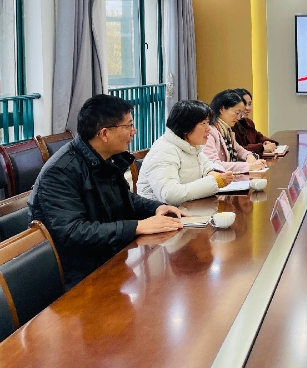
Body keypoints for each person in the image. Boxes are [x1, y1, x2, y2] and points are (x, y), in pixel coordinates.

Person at [28, 94, 188, 289]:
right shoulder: (61, 172)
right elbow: (72, 232)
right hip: (82, 275)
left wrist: (157, 208)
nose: (134, 131)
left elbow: (123, 198)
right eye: (129, 126)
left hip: (111, 256)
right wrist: (136, 227)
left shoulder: (104, 157)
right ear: (104, 133)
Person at [137, 100, 235, 205]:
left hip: (190, 207)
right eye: (203, 123)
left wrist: (211, 172)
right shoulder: (164, 151)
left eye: (208, 123)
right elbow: (169, 195)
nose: (209, 129)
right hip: (161, 212)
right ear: (185, 126)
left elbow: (208, 165)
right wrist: (214, 181)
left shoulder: (190, 145)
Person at [203, 90, 268, 173]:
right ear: (222, 109)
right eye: (237, 113)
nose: (238, 118)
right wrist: (248, 166)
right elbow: (213, 164)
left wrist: (249, 156)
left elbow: (240, 151)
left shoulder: (227, 130)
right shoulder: (209, 131)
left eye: (240, 114)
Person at [231, 88, 279, 157]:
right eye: (244, 104)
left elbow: (258, 137)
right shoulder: (231, 125)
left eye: (249, 104)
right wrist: (262, 148)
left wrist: (266, 142)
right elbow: (238, 151)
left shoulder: (249, 122)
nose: (248, 108)